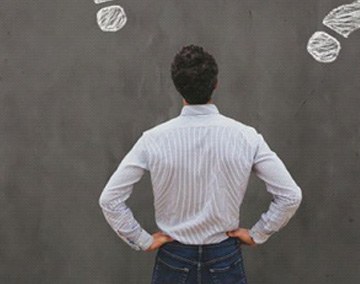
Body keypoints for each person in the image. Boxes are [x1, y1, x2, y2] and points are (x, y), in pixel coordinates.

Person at [99, 45, 302, 283]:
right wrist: (258, 233)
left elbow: (109, 200)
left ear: (177, 87)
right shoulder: (246, 137)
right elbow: (290, 196)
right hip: (224, 257)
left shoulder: (153, 140)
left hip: (173, 258)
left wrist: (142, 239)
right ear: (215, 84)